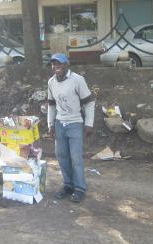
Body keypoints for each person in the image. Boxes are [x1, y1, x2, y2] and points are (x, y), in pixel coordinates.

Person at [47, 53, 95, 203]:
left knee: (76, 158)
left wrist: (89, 123)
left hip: (75, 124)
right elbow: (51, 105)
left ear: (66, 65)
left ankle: (80, 188)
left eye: (59, 64)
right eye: (54, 64)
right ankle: (68, 185)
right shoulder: (51, 82)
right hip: (60, 124)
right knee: (62, 156)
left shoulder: (77, 80)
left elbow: (89, 102)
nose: (56, 66)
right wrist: (50, 124)